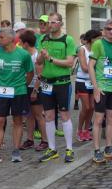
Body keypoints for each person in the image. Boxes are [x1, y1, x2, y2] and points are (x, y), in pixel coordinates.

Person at [0, 27, 34, 166]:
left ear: (11, 38)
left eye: (1, 37)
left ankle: (16, 150)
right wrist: (2, 83)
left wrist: (22, 85)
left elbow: (30, 73)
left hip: (19, 91)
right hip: (2, 92)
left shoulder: (23, 54)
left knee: (17, 121)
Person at [35, 12, 77, 163]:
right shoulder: (43, 39)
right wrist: (42, 56)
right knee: (48, 116)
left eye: (53, 22)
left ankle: (69, 149)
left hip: (62, 83)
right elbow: (39, 62)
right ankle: (52, 149)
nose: (50, 25)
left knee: (65, 115)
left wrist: (51, 58)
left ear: (60, 24)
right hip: (46, 83)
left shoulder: (68, 40)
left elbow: (70, 63)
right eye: (49, 22)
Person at [89, 20, 112, 162]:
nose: (111, 31)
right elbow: (91, 66)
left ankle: (108, 148)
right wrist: (95, 88)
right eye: (108, 29)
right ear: (104, 30)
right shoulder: (98, 44)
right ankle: (97, 150)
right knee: (98, 119)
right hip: (102, 88)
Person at [18, 30, 48, 152]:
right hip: (26, 87)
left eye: (20, 42)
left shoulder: (36, 55)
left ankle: (45, 141)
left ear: (26, 43)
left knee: (38, 115)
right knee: (29, 115)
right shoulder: (24, 55)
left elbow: (39, 75)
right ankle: (29, 140)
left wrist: (35, 90)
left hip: (36, 87)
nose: (19, 44)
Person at [75, 30, 99, 142]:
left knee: (92, 107)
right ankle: (79, 130)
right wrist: (97, 69)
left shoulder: (96, 49)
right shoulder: (82, 49)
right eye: (98, 38)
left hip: (92, 81)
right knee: (86, 107)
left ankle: (86, 130)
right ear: (92, 38)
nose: (99, 40)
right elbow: (85, 68)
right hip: (82, 81)